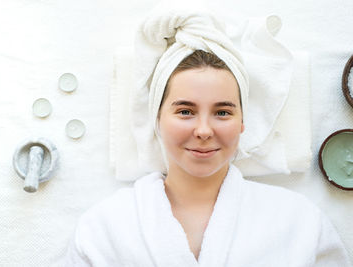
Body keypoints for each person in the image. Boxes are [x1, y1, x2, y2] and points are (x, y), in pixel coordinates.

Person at [64, 50, 352, 266]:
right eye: (185, 111)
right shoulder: (105, 226)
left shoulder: (298, 221)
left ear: (242, 123)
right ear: (158, 120)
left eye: (222, 112)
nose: (203, 130)